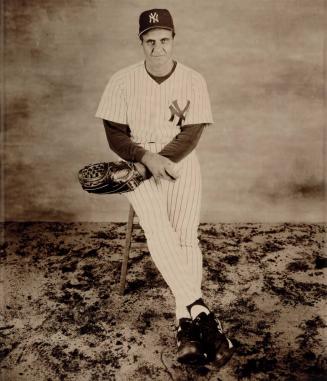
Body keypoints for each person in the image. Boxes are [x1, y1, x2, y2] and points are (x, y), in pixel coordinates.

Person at [95, 8, 234, 366]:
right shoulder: (122, 80)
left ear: (173, 40)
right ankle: (202, 313)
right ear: (141, 42)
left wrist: (161, 161)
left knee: (186, 237)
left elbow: (192, 132)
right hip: (136, 165)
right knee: (159, 231)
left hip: (179, 160)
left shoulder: (193, 79)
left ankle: (185, 326)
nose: (158, 48)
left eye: (164, 40)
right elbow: (114, 133)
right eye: (150, 41)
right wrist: (145, 161)